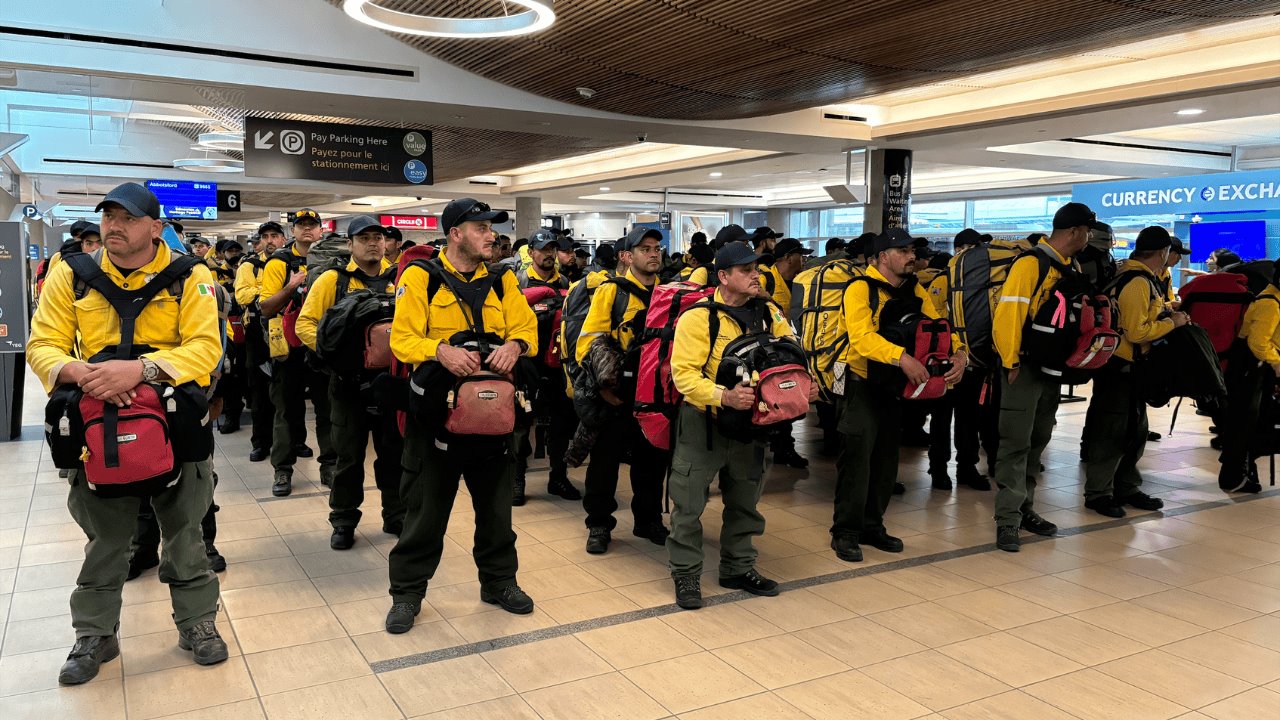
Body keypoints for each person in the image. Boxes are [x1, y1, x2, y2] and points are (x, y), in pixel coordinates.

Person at [27, 182, 227, 684]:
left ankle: (197, 623)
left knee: (185, 529)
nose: (113, 226)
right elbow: (43, 346)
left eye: (127, 218)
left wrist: (140, 372)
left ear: (156, 228)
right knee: (106, 536)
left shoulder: (191, 276)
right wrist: (88, 376)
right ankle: (95, 633)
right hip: (98, 419)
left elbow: (205, 350)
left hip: (175, 417)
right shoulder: (72, 274)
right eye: (108, 216)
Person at [385, 198, 539, 633]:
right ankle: (407, 594)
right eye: (481, 228)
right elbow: (402, 339)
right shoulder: (420, 278)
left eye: (491, 229)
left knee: (496, 512)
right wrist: (440, 351)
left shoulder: (502, 279)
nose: (491, 235)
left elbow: (525, 328)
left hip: (493, 415)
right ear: (456, 233)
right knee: (424, 513)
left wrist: (516, 346)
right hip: (437, 417)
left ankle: (499, 582)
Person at [666, 242, 809, 609]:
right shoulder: (698, 318)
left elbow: (789, 351)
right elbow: (684, 377)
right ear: (724, 276)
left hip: (753, 424)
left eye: (756, 269)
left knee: (746, 502)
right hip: (705, 424)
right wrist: (724, 396)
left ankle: (737, 568)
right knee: (688, 504)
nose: (755, 275)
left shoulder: (769, 312)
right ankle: (686, 574)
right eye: (745, 270)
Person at [831, 229, 967, 562]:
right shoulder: (859, 289)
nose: (911, 256)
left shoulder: (915, 290)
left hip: (896, 388)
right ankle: (845, 532)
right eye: (902, 250)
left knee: (887, 460)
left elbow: (940, 326)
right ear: (881, 257)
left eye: (911, 250)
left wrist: (960, 353)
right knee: (857, 461)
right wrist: (902, 357)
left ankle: (872, 525)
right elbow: (861, 339)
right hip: (861, 384)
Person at [989, 204, 1097, 551]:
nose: (1088, 238)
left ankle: (1025, 509)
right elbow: (1009, 314)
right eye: (1087, 231)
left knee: (1038, 441)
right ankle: (1007, 520)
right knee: (1015, 443)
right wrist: (1010, 361)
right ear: (1075, 232)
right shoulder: (1030, 263)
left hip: (1052, 368)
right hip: (1022, 367)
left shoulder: (1071, 266)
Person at [577, 227, 671, 554]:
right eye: (645, 248)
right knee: (604, 463)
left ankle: (648, 520)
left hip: (655, 396)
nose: (654, 253)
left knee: (653, 461)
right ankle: (599, 524)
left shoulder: (669, 294)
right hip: (616, 394)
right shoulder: (611, 292)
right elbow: (589, 340)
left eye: (656, 248)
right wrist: (603, 386)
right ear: (629, 256)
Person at [1082, 226, 1187, 518]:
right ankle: (1099, 493)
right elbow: (1137, 331)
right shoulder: (1138, 281)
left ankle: (1126, 486)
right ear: (1163, 252)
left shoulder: (1130, 274)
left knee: (1135, 430)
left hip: (1126, 367)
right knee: (1112, 432)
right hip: (1120, 366)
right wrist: (1173, 323)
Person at [257, 209, 336, 496]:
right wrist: (292, 285)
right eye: (301, 225)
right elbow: (265, 307)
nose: (307, 230)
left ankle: (329, 465)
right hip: (288, 349)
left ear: (320, 230)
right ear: (293, 231)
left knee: (328, 410)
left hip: (320, 345)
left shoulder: (332, 261)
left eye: (312, 225)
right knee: (287, 412)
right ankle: (283, 470)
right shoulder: (279, 261)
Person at [513, 230, 583, 505]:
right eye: (543, 249)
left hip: (558, 366)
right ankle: (516, 479)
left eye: (552, 249)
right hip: (524, 363)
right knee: (520, 424)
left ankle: (558, 477)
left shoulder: (566, 282)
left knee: (561, 424)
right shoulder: (517, 282)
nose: (549, 254)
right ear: (531, 253)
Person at [1217, 261, 1278, 494]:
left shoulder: (1273, 298)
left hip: (1254, 367)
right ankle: (1233, 477)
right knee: (1244, 423)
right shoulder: (1269, 303)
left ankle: (1241, 470)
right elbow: (1258, 342)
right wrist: (1276, 361)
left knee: (1249, 422)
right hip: (1251, 368)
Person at [760, 237, 813, 469]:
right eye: (801, 255)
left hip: (787, 350)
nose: (804, 260)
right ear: (789, 257)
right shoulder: (766, 278)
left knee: (786, 396)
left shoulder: (799, 283)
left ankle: (784, 448)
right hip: (763, 351)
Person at [234, 222, 284, 462]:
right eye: (265, 236)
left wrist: (264, 292)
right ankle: (261, 442)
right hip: (256, 334)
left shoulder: (289, 263)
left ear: (283, 238)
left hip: (284, 330)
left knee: (287, 391)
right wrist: (273, 291)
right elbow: (242, 295)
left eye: (275, 235)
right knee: (259, 392)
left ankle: (295, 441)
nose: (270, 240)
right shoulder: (249, 266)